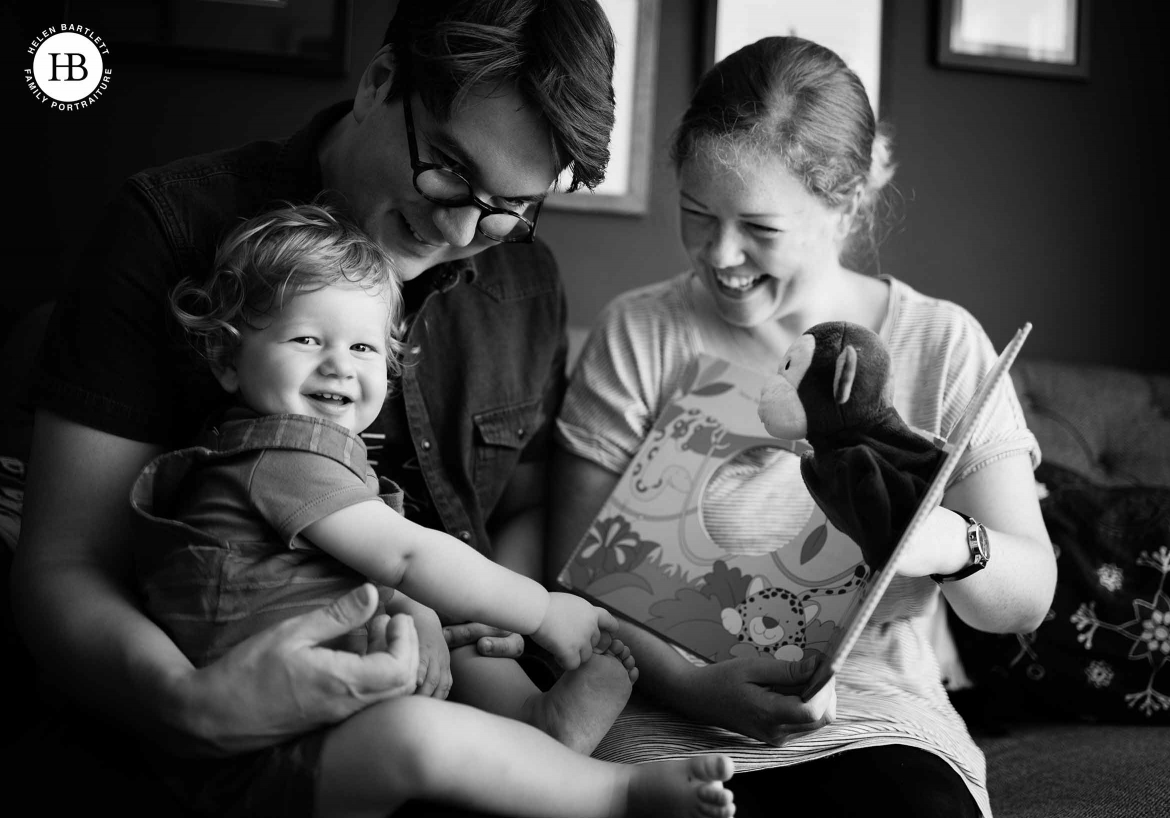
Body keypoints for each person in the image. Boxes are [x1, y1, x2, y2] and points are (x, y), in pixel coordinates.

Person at [11, 1, 620, 813]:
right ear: (378, 82)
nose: (461, 225)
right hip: (195, 721)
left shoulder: (526, 276)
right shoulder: (167, 229)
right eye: (447, 169)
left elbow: (522, 503)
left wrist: (491, 623)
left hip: (455, 712)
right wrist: (190, 707)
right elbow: (62, 568)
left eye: (509, 206)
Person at [549, 36, 1058, 818]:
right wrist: (694, 687)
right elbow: (573, 579)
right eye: (695, 213)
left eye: (759, 227)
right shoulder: (642, 332)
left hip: (871, 722)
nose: (719, 254)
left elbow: (1025, 598)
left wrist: (945, 542)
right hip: (661, 714)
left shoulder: (941, 341)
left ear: (846, 201)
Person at [124, 201, 735, 818]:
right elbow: (405, 552)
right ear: (229, 361)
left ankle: (537, 722)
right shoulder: (277, 456)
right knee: (418, 734)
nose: (339, 362)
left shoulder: (319, 459)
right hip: (268, 752)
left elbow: (369, 569)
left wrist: (418, 611)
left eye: (363, 347)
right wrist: (540, 609)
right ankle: (615, 793)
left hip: (340, 680)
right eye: (307, 339)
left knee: (448, 635)